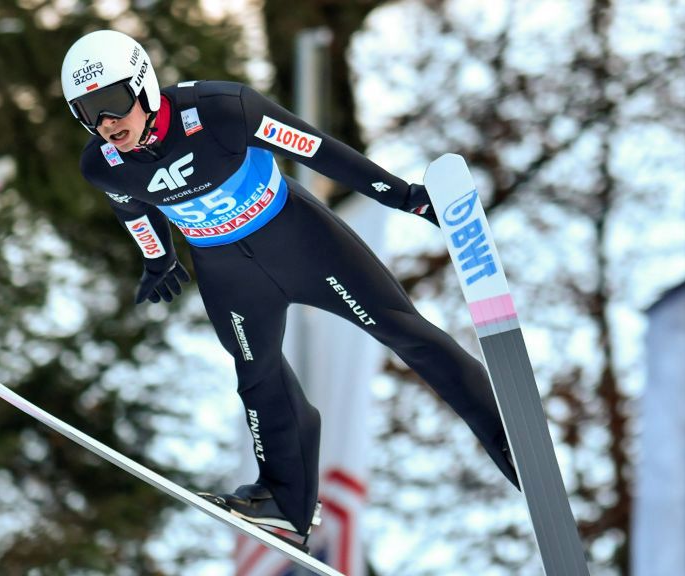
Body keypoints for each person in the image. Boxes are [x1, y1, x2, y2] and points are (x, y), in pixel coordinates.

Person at [61, 30, 518, 543]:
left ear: (143, 86)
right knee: (258, 379)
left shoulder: (221, 110)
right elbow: (131, 208)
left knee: (401, 330)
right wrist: (158, 259)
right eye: (87, 112)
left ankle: (508, 435)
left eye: (111, 103)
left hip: (301, 242)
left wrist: (403, 196)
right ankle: (284, 501)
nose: (105, 123)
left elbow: (320, 151)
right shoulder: (102, 164)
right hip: (229, 275)